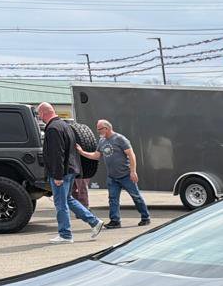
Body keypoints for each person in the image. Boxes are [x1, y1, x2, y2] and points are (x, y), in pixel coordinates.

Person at [37, 103, 102, 244]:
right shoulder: (65, 126)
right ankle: (94, 222)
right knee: (68, 200)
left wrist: (57, 176)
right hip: (71, 170)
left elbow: (57, 154)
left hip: (62, 172)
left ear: (43, 113)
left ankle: (65, 235)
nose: (39, 117)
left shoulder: (53, 129)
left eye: (39, 114)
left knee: (61, 203)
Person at [78, 119, 150, 228]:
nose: (98, 132)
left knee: (136, 197)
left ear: (107, 128)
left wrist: (133, 171)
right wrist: (82, 152)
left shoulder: (120, 139)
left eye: (99, 129)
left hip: (125, 175)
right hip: (112, 177)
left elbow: (131, 155)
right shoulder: (102, 141)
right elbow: (96, 156)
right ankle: (115, 221)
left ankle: (145, 217)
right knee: (113, 199)